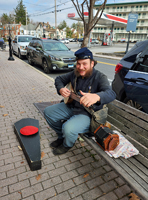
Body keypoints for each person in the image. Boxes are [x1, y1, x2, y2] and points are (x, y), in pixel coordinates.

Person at [44, 47, 116, 155]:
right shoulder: (75, 73)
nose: (81, 67)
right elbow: (59, 79)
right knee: (48, 112)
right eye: (78, 64)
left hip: (87, 114)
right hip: (72, 107)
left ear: (92, 63)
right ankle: (61, 137)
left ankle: (67, 144)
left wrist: (97, 96)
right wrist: (61, 88)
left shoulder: (100, 77)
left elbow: (111, 93)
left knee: (67, 128)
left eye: (84, 64)